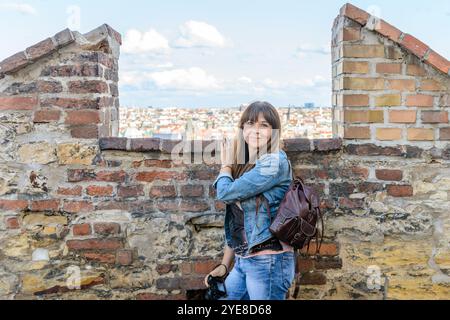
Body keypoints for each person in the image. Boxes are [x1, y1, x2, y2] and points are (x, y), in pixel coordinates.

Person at [205, 101, 295, 300]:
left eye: (264, 125)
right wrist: (224, 265)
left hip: (269, 261)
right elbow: (239, 222)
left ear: (274, 131)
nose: (255, 130)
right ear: (242, 129)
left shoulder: (274, 161)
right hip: (245, 260)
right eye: (250, 124)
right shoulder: (250, 165)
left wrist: (226, 165)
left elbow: (225, 193)